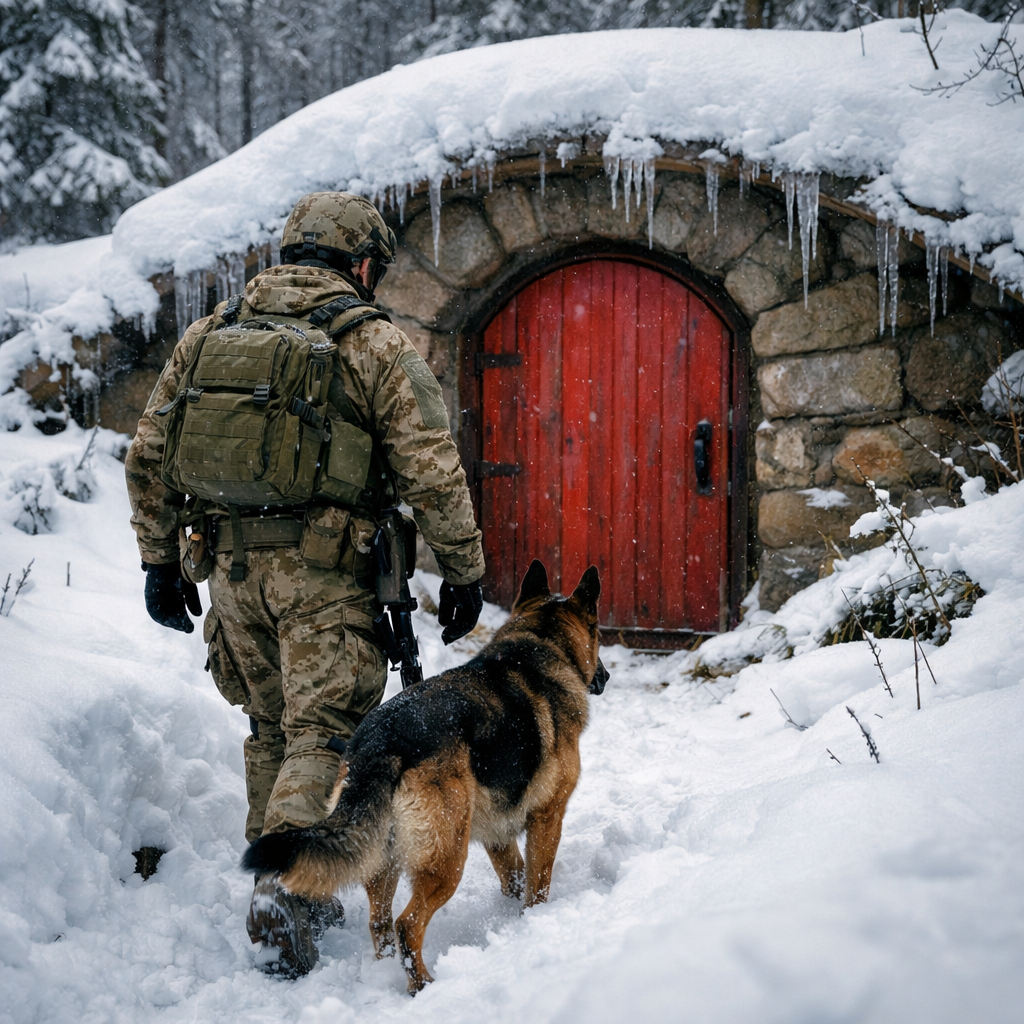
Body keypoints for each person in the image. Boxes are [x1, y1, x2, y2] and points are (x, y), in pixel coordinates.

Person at [125, 192, 485, 976]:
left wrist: (158, 562)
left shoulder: (209, 334)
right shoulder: (372, 342)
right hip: (326, 576)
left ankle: (272, 874)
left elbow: (147, 456)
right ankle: (290, 892)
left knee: (270, 728)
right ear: (359, 264)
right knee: (323, 735)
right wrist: (464, 571)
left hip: (229, 572)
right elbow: (431, 466)